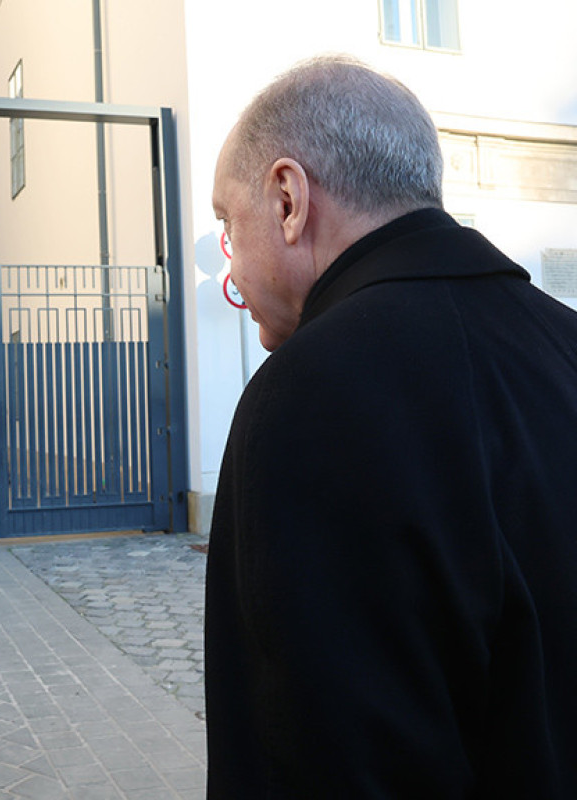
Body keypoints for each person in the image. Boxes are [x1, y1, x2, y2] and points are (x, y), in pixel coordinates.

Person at [205, 55, 577, 797]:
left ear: (287, 199)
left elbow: (317, 757)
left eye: (227, 224)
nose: (232, 272)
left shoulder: (304, 396)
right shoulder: (566, 343)